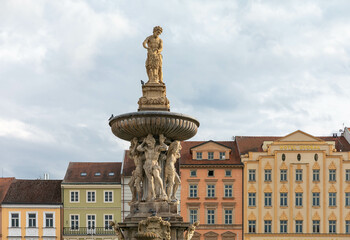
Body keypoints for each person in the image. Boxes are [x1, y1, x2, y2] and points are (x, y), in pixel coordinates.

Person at [137, 134, 168, 201]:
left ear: (153, 142)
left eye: (150, 143)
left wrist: (162, 142)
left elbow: (166, 148)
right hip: (147, 166)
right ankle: (153, 195)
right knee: (150, 180)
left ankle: (163, 191)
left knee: (157, 176)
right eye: (148, 143)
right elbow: (138, 148)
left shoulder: (157, 148)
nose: (149, 145)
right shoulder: (146, 148)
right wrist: (143, 142)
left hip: (155, 165)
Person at [128, 138, 143, 203]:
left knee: (137, 183)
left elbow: (134, 152)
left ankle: (139, 199)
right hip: (136, 170)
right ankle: (134, 198)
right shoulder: (135, 154)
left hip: (140, 169)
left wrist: (136, 143)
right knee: (130, 184)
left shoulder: (140, 153)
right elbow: (131, 154)